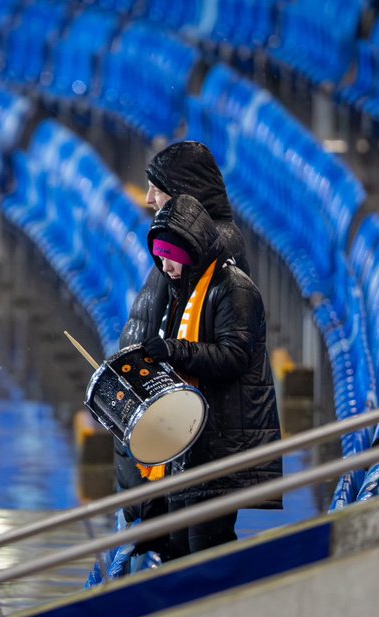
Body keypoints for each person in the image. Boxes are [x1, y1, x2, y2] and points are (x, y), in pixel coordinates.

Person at [132, 193, 282, 560]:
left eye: (170, 256)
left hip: (219, 449)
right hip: (187, 447)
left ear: (192, 250)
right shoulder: (181, 290)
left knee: (206, 555)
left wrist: (175, 351)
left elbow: (234, 357)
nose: (165, 266)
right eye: (159, 257)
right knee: (179, 553)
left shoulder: (234, 289)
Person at [116, 140, 251, 530]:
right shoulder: (182, 244)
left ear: (185, 193)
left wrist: (168, 353)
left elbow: (227, 350)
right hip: (175, 433)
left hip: (197, 439)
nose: (147, 199)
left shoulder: (212, 249)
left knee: (196, 548)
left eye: (157, 188)